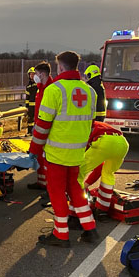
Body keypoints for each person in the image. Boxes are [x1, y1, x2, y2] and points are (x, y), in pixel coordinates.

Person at [28, 51, 97, 247]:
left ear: (60, 66)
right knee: (75, 188)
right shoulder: (89, 91)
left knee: (56, 191)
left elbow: (42, 126)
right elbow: (91, 123)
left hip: (57, 152)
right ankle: (90, 228)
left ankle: (61, 234)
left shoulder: (54, 90)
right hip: (77, 152)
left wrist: (34, 150)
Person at [78, 121, 129, 216]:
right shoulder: (97, 124)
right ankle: (102, 209)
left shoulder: (81, 128)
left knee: (78, 171)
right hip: (122, 143)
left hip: (104, 141)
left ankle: (79, 207)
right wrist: (87, 184)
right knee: (108, 173)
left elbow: (95, 168)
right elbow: (99, 169)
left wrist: (84, 185)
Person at [27, 61, 53, 191]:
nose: (34, 76)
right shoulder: (40, 88)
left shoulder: (51, 89)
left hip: (48, 130)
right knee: (41, 159)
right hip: (39, 126)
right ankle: (42, 182)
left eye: (36, 73)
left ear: (42, 74)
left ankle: (49, 186)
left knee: (47, 159)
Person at [25, 67, 38, 134]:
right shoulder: (28, 86)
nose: (32, 76)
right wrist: (27, 106)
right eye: (30, 74)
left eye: (33, 74)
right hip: (31, 106)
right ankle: (30, 132)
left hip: (38, 105)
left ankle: (36, 132)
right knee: (30, 119)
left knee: (37, 119)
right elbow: (27, 97)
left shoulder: (38, 84)